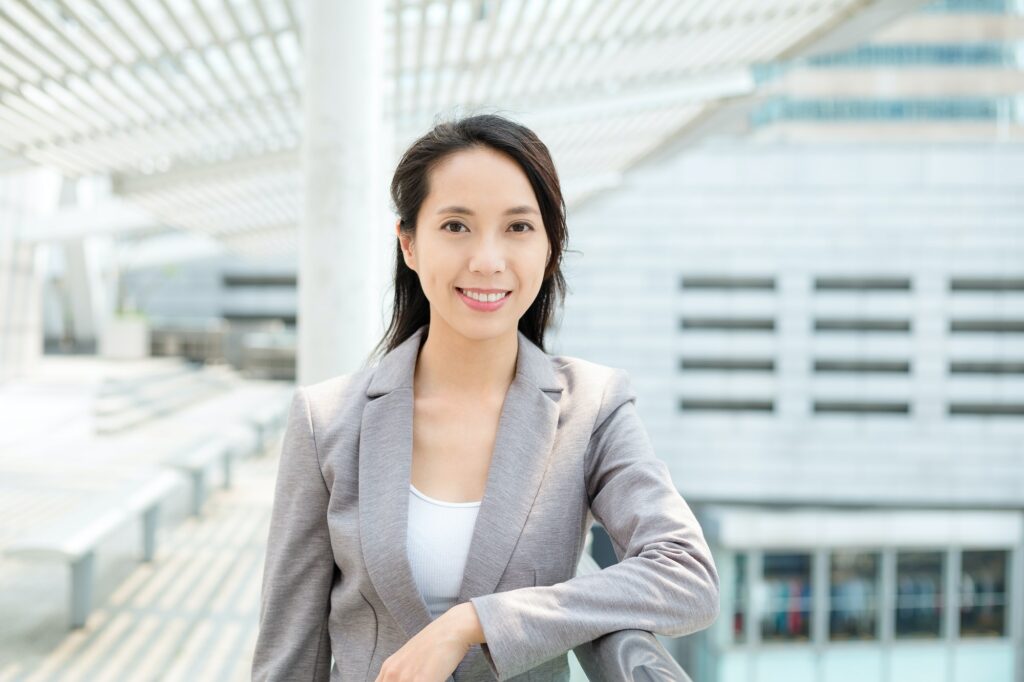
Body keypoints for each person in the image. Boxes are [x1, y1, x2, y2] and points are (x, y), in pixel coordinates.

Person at [251, 113, 720, 682]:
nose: (487, 260)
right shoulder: (325, 419)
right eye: (456, 226)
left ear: (549, 249)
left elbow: (687, 575)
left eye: (518, 228)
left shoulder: (591, 407)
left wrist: (478, 621)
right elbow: (287, 654)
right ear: (409, 243)